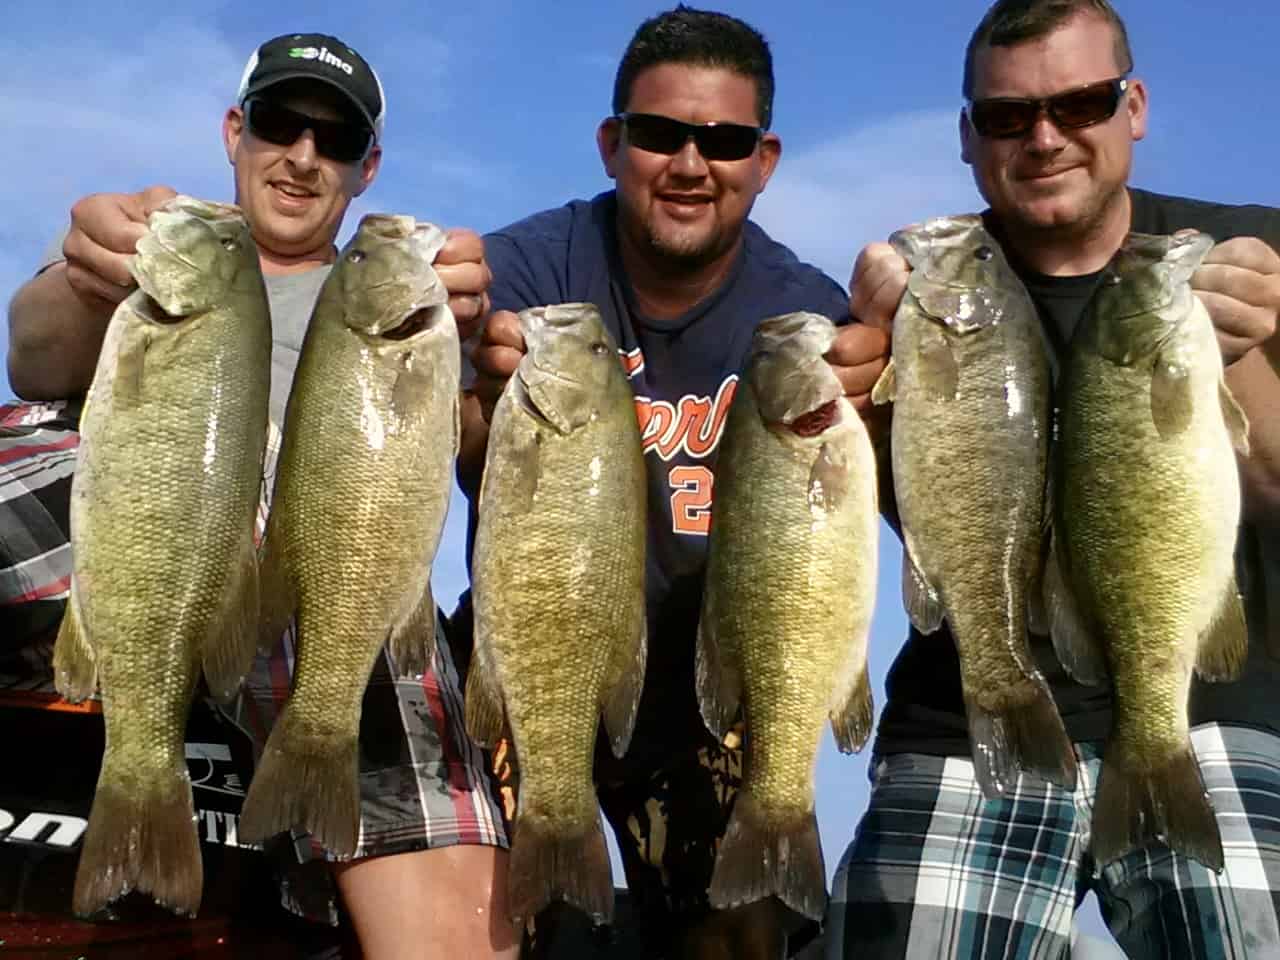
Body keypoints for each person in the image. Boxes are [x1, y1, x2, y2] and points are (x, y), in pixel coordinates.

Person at [3, 32, 520, 959]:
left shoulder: (412, 303)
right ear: (236, 130)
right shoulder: (155, 244)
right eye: (281, 124)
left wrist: (475, 363)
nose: (303, 156)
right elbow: (33, 360)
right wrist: (86, 280)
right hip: (144, 520)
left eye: (337, 141)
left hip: (322, 559)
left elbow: (461, 470)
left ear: (369, 171)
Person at [825, 2, 1280, 957]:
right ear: (967, 135)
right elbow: (920, 520)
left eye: (1081, 103)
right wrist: (866, 377)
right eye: (1006, 116)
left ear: (1136, 105)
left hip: (1212, 709)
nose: (1044, 137)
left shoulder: (1249, 256)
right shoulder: (928, 286)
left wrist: (1237, 358)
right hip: (968, 714)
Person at [460, 7, 888, 958]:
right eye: (659, 134)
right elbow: (434, 457)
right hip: (539, 651)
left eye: (725, 140)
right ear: (614, 143)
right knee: (485, 922)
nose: (691, 163)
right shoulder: (528, 272)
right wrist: (474, 390)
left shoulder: (803, 322)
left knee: (746, 926)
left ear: (764, 159)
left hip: (716, 684)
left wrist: (900, 381)